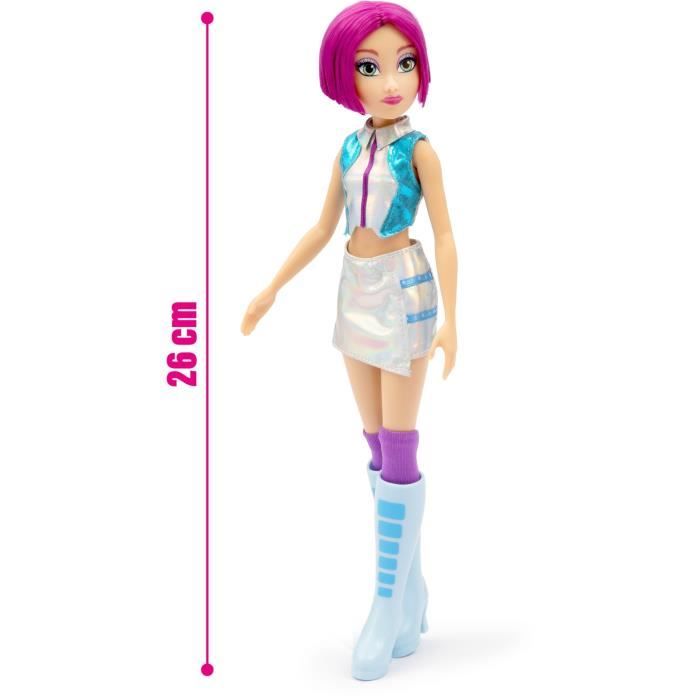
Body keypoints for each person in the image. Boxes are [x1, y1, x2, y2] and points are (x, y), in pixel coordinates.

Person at [240, 0, 458, 681]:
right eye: (370, 67)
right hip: (354, 291)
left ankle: (385, 606)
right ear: (345, 76)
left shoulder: (420, 150)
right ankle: (411, 592)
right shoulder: (346, 149)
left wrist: (454, 319)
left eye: (405, 63)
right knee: (375, 445)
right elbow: (321, 227)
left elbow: (446, 234)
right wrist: (272, 288)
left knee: (400, 446)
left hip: (404, 290)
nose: (391, 81)